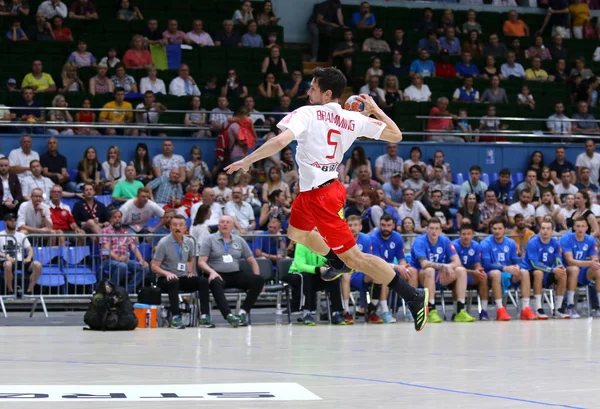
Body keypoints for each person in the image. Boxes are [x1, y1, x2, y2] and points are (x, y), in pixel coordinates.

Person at [225, 67, 429, 332]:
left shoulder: (306, 113)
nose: (308, 91)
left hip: (322, 195)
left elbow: (280, 142)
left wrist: (247, 160)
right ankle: (335, 260)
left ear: (327, 93)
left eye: (312, 87)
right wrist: (375, 109)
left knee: (357, 259)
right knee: (296, 232)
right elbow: (396, 135)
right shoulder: (350, 119)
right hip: (313, 192)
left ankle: (412, 296)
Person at [197, 215, 265, 327]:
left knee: (258, 280)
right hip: (217, 273)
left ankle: (242, 313)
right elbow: (201, 262)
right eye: (222, 222)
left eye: (228, 222)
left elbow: (252, 261)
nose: (224, 224)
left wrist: (256, 275)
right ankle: (228, 315)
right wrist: (211, 272)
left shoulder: (239, 240)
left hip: (235, 273)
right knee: (215, 282)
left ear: (233, 226)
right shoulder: (209, 239)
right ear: (218, 225)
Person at [152, 214, 214, 329]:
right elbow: (154, 266)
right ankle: (176, 317)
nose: (178, 228)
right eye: (175, 225)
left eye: (181, 225)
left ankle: (205, 316)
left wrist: (190, 271)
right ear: (170, 227)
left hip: (182, 277)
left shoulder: (189, 242)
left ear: (185, 227)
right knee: (174, 281)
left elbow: (190, 259)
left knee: (203, 281)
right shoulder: (163, 243)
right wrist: (167, 273)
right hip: (165, 279)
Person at [410, 217, 474, 323]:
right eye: (431, 228)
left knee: (461, 270)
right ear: (427, 229)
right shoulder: (420, 241)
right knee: (430, 270)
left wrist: (447, 267)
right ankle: (431, 310)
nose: (434, 231)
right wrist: (443, 266)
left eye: (436, 228)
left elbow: (457, 261)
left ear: (440, 230)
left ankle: (460, 310)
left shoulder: (445, 240)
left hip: (440, 276)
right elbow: (424, 264)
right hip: (422, 276)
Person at [480, 218, 536, 321]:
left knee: (524, 272)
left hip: (507, 272)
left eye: (500, 228)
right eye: (494, 228)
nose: (497, 231)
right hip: (490, 273)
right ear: (491, 230)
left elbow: (515, 261)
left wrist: (517, 267)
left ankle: (525, 309)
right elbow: (486, 264)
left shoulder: (510, 243)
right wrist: (504, 267)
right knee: (497, 273)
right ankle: (500, 310)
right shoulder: (485, 243)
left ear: (505, 229)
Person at [520, 220, 567, 320]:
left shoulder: (556, 243)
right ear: (540, 230)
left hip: (548, 271)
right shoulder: (533, 243)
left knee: (563, 273)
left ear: (552, 231)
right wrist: (552, 270)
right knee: (538, 273)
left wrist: (559, 268)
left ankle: (558, 309)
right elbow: (534, 264)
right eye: (543, 228)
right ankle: (538, 308)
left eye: (548, 229)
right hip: (530, 272)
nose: (545, 231)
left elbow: (558, 259)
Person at [100, 209, 149, 294]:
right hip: (108, 261)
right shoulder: (106, 231)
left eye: (119, 217)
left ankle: (126, 291)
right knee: (122, 266)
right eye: (115, 217)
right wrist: (118, 258)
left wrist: (141, 260)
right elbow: (106, 249)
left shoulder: (125, 232)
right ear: (110, 219)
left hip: (124, 260)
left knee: (144, 268)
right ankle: (111, 290)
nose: (117, 219)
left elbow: (133, 247)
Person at [561, 216, 600, 318]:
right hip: (566, 271)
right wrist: (589, 263)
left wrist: (594, 263)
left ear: (587, 228)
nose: (580, 229)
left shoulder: (591, 240)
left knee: (597, 269)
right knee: (574, 269)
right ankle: (570, 305)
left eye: (583, 226)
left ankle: (598, 306)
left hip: (582, 272)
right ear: (574, 227)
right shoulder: (566, 238)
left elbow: (594, 259)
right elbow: (569, 261)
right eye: (578, 226)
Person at [452, 223, 489, 320]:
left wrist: (480, 271)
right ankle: (456, 311)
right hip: (457, 275)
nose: (466, 236)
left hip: (471, 276)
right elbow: (455, 267)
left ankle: (484, 311)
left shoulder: (476, 246)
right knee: (458, 277)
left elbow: (477, 264)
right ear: (459, 235)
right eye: (463, 234)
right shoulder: (454, 246)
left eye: (468, 234)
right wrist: (473, 272)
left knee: (483, 277)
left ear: (473, 235)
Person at [0, 213, 42, 295]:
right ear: (5, 222)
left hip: (21, 260)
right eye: (10, 220)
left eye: (15, 220)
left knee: (38, 265)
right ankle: (11, 291)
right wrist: (6, 257)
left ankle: (29, 291)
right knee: (8, 264)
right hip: (7, 260)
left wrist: (29, 257)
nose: (13, 222)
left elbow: (30, 249)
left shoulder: (21, 235)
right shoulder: (0, 235)